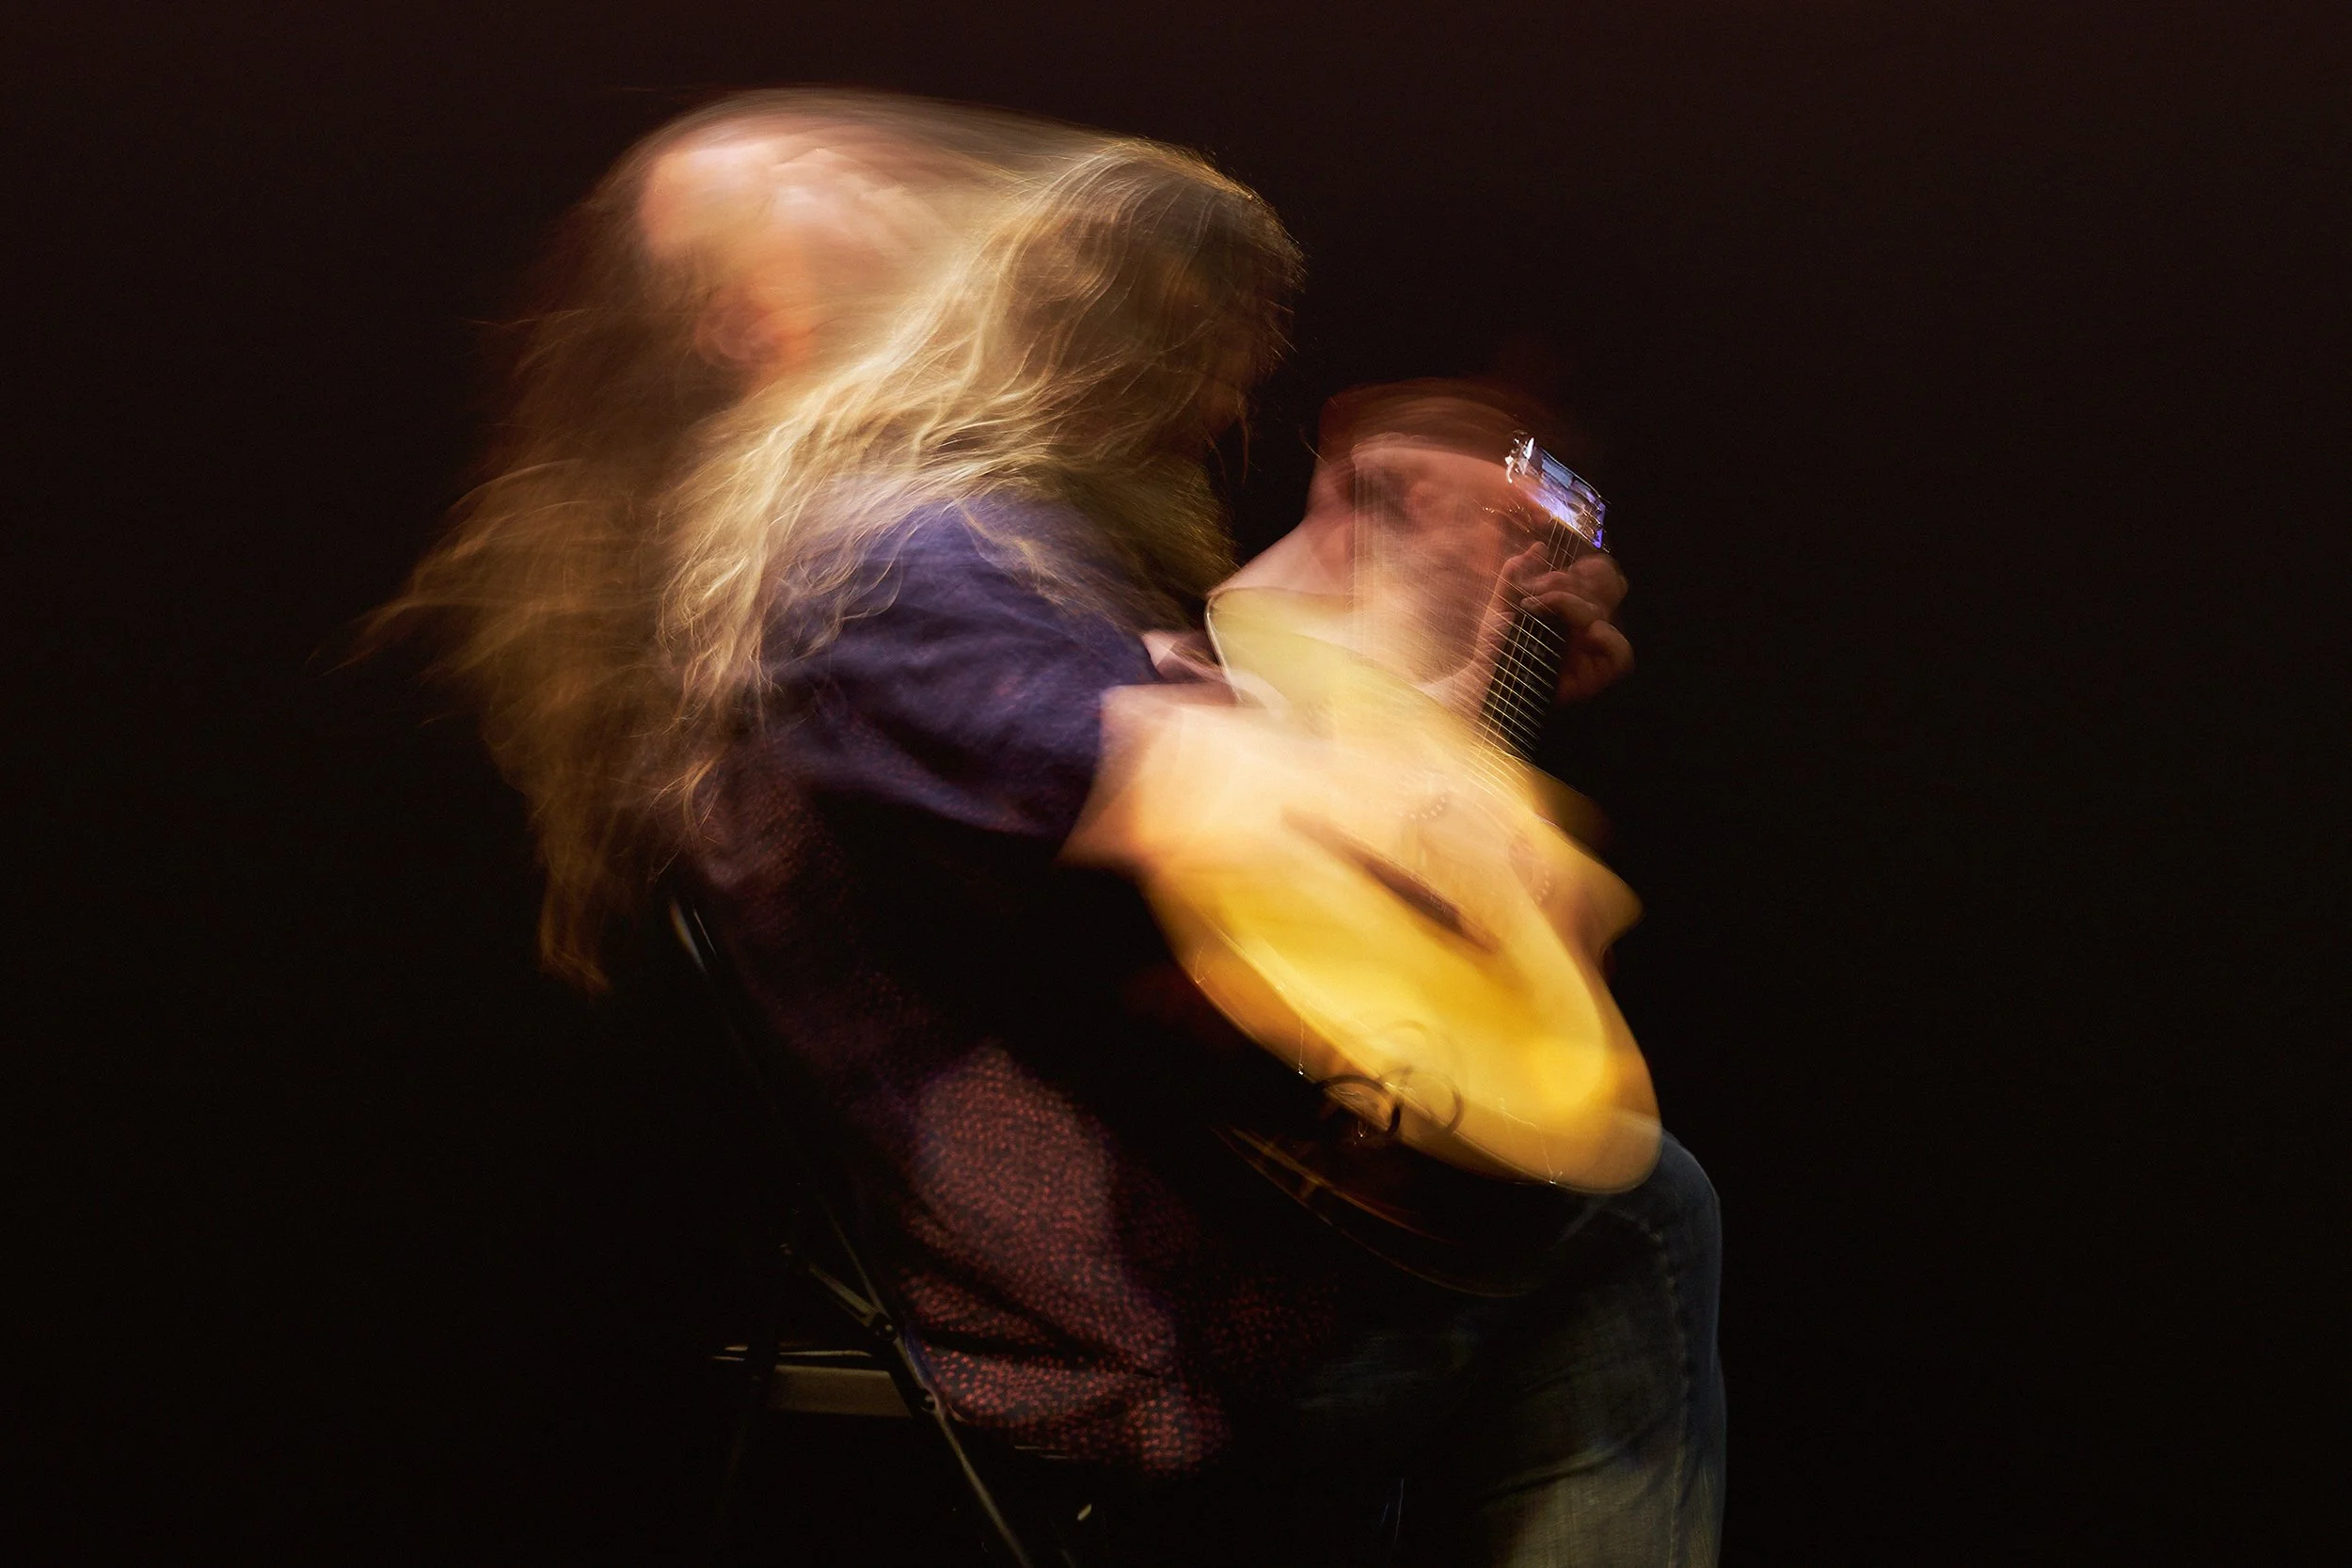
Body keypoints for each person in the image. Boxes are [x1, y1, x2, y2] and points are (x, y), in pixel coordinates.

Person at [388, 88, 1721, 1565]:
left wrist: (1437, 627)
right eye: (838, 180)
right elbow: (1203, 795)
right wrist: (1485, 814)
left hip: (1194, 1219)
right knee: (1626, 1203)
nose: (918, 187)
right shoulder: (885, 551)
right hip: (1156, 1323)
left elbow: (1193, 790)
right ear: (747, 316)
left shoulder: (946, 544)